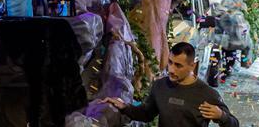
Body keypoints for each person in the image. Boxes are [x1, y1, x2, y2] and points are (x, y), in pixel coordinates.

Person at [100, 42, 239, 127]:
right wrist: (124, 107)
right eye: (170, 62)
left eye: (178, 65)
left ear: (192, 65)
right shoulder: (160, 86)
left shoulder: (207, 94)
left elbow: (234, 124)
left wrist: (222, 116)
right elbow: (146, 114)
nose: (171, 70)